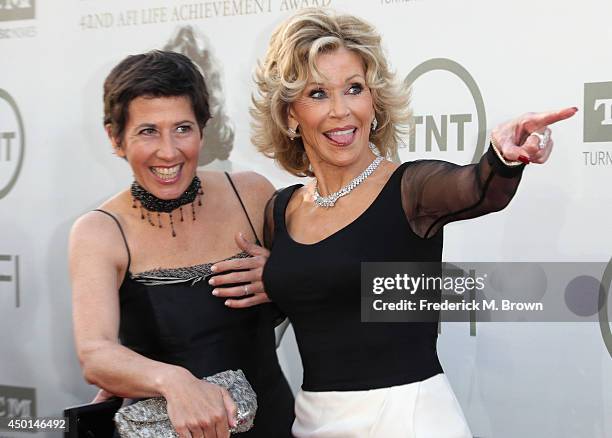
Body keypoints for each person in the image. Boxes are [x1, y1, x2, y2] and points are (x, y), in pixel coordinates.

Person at [210, 8, 577, 437]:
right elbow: (296, 304)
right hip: (314, 421)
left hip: (409, 418)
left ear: (374, 100)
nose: (341, 111)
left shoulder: (411, 190)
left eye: (353, 88)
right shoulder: (281, 210)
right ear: (290, 115)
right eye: (317, 94)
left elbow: (479, 188)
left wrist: (502, 158)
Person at [69, 50, 294, 438]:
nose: (169, 151)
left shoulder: (252, 194)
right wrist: (172, 382)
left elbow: (321, 286)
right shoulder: (100, 231)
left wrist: (282, 275)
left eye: (182, 128)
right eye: (147, 131)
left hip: (273, 422)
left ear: (203, 129)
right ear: (115, 137)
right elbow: (95, 354)